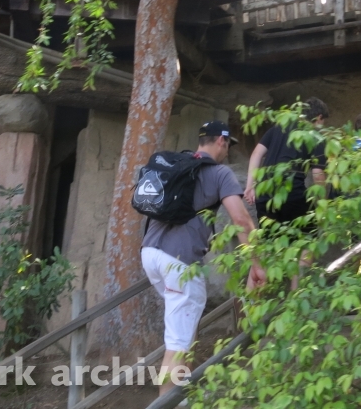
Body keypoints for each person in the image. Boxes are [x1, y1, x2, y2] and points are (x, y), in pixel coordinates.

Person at [141, 121, 265, 397]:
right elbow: (242, 220)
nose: (228, 152)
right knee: (178, 341)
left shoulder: (178, 163)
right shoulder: (219, 173)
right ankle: (166, 402)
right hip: (179, 262)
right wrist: (257, 264)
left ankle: (182, 397)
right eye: (228, 146)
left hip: (150, 254)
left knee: (185, 329)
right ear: (221, 141)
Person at [244, 96, 329, 226]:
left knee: (270, 243)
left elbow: (256, 154)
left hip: (264, 196)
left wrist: (250, 186)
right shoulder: (315, 137)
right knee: (305, 240)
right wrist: (322, 203)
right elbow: (317, 174)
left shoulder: (277, 128)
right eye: (323, 122)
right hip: (292, 195)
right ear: (319, 117)